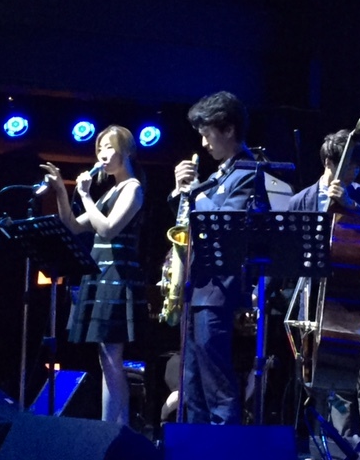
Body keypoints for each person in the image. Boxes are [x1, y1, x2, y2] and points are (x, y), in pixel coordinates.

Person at [39, 124, 147, 425]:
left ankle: (115, 428)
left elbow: (108, 229)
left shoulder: (133, 188)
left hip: (118, 277)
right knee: (105, 358)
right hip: (102, 274)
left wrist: (86, 195)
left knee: (112, 358)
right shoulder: (111, 191)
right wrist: (62, 191)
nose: (102, 154)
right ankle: (111, 426)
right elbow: (73, 226)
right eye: (99, 149)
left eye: (109, 147)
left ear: (126, 152)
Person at [289, 129, 360, 448]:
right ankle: (324, 446)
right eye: (350, 164)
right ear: (330, 163)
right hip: (316, 299)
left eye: (358, 165)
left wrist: (349, 205)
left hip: (358, 296)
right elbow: (290, 251)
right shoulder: (301, 200)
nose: (355, 170)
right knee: (318, 377)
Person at [168, 91, 257, 424]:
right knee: (192, 384)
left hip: (220, 290)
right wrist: (180, 193)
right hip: (198, 288)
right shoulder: (220, 174)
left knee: (217, 385)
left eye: (208, 134)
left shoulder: (248, 172)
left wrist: (193, 193)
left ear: (229, 130)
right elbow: (188, 224)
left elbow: (225, 224)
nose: (204, 143)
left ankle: (223, 446)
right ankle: (196, 446)